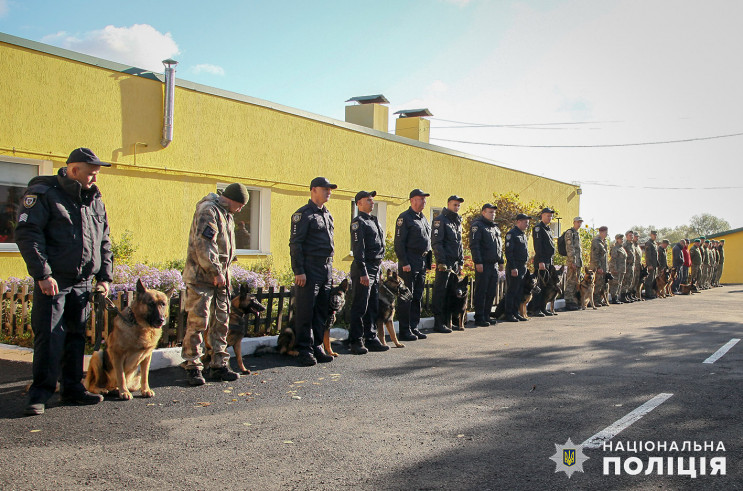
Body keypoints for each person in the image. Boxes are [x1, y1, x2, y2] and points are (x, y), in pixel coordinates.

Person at [15, 148, 113, 416]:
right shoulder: (44, 194)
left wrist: (105, 276)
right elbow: (28, 234)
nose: (94, 179)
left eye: (96, 175)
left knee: (76, 336)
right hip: (54, 281)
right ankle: (40, 393)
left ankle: (72, 389)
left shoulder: (94, 199)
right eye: (90, 174)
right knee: (49, 338)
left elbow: (104, 240)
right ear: (73, 170)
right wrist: (43, 275)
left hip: (82, 281)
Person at [181, 182, 249, 385]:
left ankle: (218, 364)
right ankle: (192, 365)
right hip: (202, 277)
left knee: (221, 322)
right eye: (241, 205)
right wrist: (215, 271)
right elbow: (205, 244)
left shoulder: (226, 214)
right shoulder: (208, 210)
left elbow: (224, 246)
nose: (241, 210)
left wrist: (226, 270)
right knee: (198, 321)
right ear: (233, 200)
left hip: (221, 278)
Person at [289, 177, 337, 366]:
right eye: (325, 189)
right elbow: (296, 244)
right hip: (309, 268)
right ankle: (304, 349)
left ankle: (317, 345)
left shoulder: (327, 214)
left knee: (321, 310)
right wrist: (299, 270)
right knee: (305, 311)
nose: (329, 192)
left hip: (325, 268)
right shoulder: (303, 215)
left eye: (330, 189)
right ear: (314, 190)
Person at [348, 190, 388, 354]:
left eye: (372, 200)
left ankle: (370, 337)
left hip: (374, 267)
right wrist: (363, 271)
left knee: (372, 305)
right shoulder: (358, 222)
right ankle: (356, 341)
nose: (372, 202)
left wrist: (378, 269)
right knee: (360, 305)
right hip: (363, 268)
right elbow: (358, 249)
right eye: (368, 200)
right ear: (359, 203)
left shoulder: (374, 221)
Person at [394, 189, 432, 342]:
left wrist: (427, 263)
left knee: (417, 296)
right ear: (412, 200)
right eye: (421, 199)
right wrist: (404, 262)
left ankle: (414, 327)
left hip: (421, 261)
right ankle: (404, 330)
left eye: (424, 199)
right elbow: (399, 243)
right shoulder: (405, 218)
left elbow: (427, 242)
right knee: (406, 297)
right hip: (409, 260)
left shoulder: (423, 218)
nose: (424, 202)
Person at [432, 196, 465, 332]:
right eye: (454, 205)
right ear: (448, 204)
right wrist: (442, 261)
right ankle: (438, 323)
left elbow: (460, 243)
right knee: (440, 293)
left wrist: (461, 261)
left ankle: (449, 322)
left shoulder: (457, 221)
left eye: (458, 205)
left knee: (450, 293)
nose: (456, 207)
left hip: (455, 263)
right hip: (445, 263)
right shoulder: (440, 220)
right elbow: (437, 243)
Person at [470, 203, 503, 326]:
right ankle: (479, 317)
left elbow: (499, 246)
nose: (493, 214)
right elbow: (475, 245)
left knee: (491, 292)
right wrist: (478, 262)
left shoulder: (495, 227)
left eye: (494, 212)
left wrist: (501, 261)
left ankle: (486, 315)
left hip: (493, 264)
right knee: (481, 291)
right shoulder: (478, 226)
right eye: (490, 212)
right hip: (483, 264)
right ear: (483, 212)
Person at [503, 213, 531, 322]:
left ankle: (515, 312)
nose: (527, 225)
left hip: (522, 266)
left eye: (527, 223)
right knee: (512, 291)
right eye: (525, 222)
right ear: (518, 221)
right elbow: (509, 253)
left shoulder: (522, 234)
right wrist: (513, 267)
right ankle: (509, 314)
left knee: (519, 291)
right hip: (514, 266)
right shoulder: (512, 234)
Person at [531, 207, 556, 317]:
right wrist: (541, 261)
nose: (549, 217)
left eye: (551, 216)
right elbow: (538, 246)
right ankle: (536, 309)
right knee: (539, 286)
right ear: (542, 215)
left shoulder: (548, 229)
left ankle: (542, 307)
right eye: (547, 215)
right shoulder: (538, 228)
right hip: (542, 261)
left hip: (548, 261)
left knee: (546, 287)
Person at [563, 217, 584, 311]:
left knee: (576, 282)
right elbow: (570, 248)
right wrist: (572, 261)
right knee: (571, 281)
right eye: (578, 222)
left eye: (580, 222)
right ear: (574, 222)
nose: (579, 224)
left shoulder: (577, 233)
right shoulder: (570, 232)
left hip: (578, 262)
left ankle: (574, 301)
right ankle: (568, 301)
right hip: (573, 262)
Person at [590, 226, 609, 307]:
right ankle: (595, 300)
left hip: (604, 267)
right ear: (601, 232)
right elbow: (595, 256)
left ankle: (600, 300)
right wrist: (598, 267)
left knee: (602, 284)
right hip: (597, 267)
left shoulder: (604, 241)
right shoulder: (596, 241)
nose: (607, 234)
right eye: (605, 232)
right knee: (597, 284)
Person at [609, 234, 627, 304]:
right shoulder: (615, 248)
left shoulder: (621, 248)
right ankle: (614, 298)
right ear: (617, 239)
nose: (622, 240)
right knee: (615, 284)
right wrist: (614, 269)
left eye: (622, 239)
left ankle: (617, 297)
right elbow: (613, 259)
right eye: (620, 239)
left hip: (622, 269)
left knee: (619, 283)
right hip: (617, 269)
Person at [621, 231, 636, 303]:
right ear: (626, 236)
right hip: (627, 265)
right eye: (630, 235)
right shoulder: (625, 245)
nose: (631, 237)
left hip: (632, 265)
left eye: (632, 235)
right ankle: (623, 296)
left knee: (630, 281)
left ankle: (627, 295)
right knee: (625, 281)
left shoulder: (632, 245)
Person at [644, 231, 659, 299]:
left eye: (656, 235)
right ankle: (648, 293)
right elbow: (648, 255)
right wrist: (649, 264)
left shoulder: (655, 243)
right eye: (654, 235)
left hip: (655, 264)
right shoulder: (649, 243)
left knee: (653, 279)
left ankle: (651, 293)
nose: (655, 236)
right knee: (649, 279)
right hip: (651, 264)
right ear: (651, 235)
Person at [632, 233, 645, 301]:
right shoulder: (631, 245)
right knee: (633, 281)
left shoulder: (637, 245)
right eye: (636, 236)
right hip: (634, 266)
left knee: (638, 281)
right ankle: (632, 295)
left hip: (638, 266)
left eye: (638, 237)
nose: (637, 238)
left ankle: (637, 295)